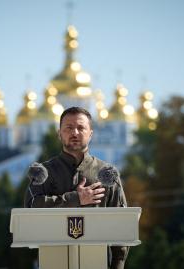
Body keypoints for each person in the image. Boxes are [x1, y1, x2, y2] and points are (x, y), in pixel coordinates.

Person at [24, 106, 129, 269]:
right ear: (59, 133)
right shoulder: (43, 172)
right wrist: (76, 199)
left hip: (97, 262)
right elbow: (31, 207)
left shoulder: (106, 174)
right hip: (53, 261)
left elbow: (121, 224)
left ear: (91, 134)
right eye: (69, 128)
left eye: (81, 128)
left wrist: (118, 265)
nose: (75, 133)